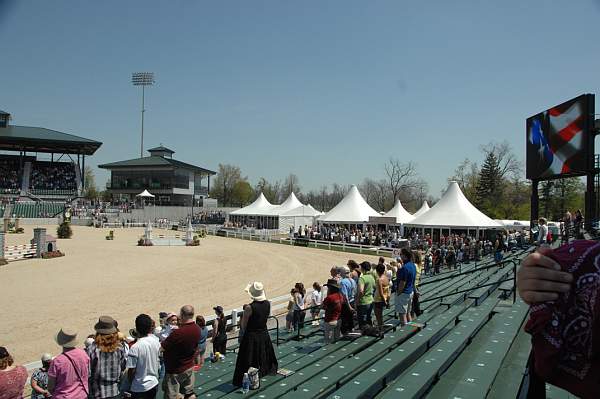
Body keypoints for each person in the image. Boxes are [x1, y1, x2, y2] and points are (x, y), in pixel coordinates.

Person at [232, 282, 278, 386]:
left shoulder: (249, 307)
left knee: (248, 359)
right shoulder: (267, 303)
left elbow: (243, 325)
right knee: (263, 355)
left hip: (251, 336)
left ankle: (248, 379)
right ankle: (261, 373)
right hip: (264, 334)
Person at [161, 305, 201, 399]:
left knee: (172, 395)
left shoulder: (178, 333)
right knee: (189, 393)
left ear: (182, 315)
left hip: (175, 370)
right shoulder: (197, 329)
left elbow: (162, 348)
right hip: (189, 367)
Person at [87, 315, 128, 399]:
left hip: (97, 392)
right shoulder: (119, 348)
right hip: (115, 390)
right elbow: (123, 367)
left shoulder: (92, 349)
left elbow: (88, 372)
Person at [48, 328, 90, 399]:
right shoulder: (84, 354)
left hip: (63, 396)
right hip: (82, 395)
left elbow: (51, 386)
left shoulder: (57, 361)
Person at [126, 314, 161, 399]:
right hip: (153, 383)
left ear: (137, 328)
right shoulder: (156, 342)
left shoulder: (135, 347)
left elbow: (131, 370)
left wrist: (131, 383)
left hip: (139, 387)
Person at [395, 248, 416, 326]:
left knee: (402, 315)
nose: (400, 256)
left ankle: (404, 333)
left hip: (404, 293)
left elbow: (402, 283)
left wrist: (399, 293)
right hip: (410, 292)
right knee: (408, 314)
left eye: (401, 255)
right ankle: (410, 330)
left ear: (405, 256)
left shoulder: (405, 267)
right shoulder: (412, 265)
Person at [322, 279, 344, 343]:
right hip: (338, 320)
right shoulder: (340, 295)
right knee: (336, 339)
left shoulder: (329, 297)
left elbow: (322, 306)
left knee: (328, 341)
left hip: (330, 321)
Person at [356, 262, 376, 327]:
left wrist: (358, 300)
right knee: (368, 319)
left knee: (362, 321)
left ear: (363, 268)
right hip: (370, 300)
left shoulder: (362, 278)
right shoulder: (371, 277)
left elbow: (361, 291)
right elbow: (374, 287)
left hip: (363, 302)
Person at [373, 263, 390, 330]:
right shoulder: (386, 278)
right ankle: (381, 329)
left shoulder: (379, 280)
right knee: (380, 317)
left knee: (378, 317)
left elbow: (380, 293)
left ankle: (380, 331)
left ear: (377, 271)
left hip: (378, 300)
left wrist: (384, 302)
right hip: (385, 298)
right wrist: (387, 301)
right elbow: (388, 290)